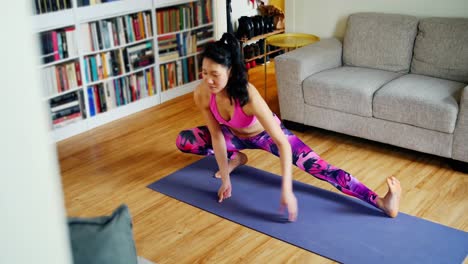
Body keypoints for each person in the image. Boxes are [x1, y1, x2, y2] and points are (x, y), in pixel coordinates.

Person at [176, 32, 401, 221]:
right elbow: (216, 136)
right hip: (233, 136)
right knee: (184, 140)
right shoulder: (203, 94)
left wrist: (287, 190)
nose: (208, 80)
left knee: (321, 167)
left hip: (266, 136)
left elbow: (282, 144)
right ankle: (237, 158)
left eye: (215, 74)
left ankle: (380, 201)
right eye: (205, 73)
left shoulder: (248, 96)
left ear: (230, 71)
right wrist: (226, 178)